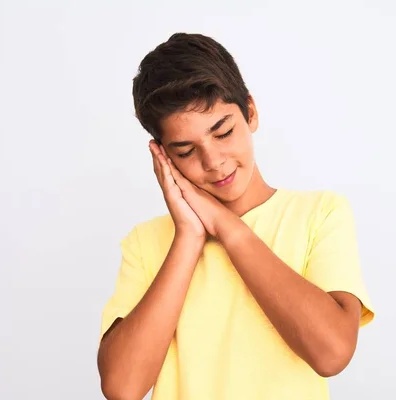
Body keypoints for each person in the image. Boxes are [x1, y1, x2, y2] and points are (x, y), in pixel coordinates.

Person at [97, 32, 375, 400]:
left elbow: (332, 353)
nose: (213, 162)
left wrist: (228, 227)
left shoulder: (319, 214)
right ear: (162, 157)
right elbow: (122, 388)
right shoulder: (147, 243)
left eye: (223, 132)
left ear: (251, 112)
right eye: (184, 151)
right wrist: (189, 238)